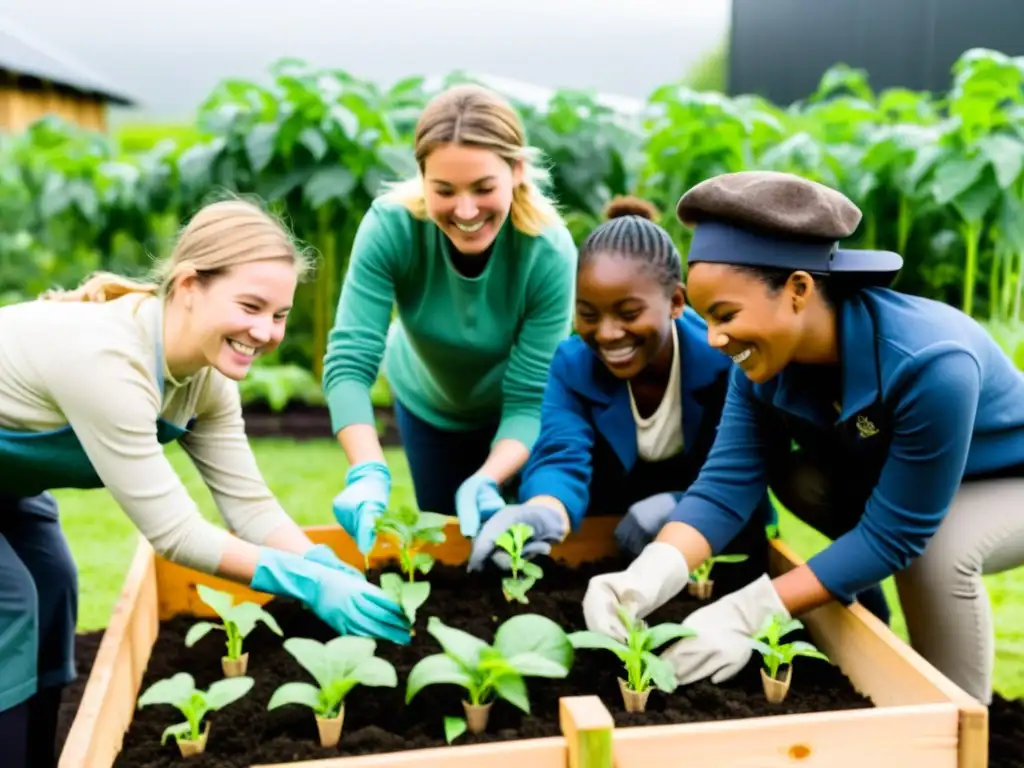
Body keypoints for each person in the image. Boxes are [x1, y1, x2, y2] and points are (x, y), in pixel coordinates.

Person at [581, 170, 1024, 705]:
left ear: (797, 289)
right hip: (919, 481)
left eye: (726, 315)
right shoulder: (762, 366)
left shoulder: (930, 362)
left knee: (934, 551)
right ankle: (863, 616)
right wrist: (650, 573)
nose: (715, 339)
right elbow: (725, 486)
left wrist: (750, 612)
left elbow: (896, 534)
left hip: (1007, 478)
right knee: (799, 479)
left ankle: (959, 722)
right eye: (706, 318)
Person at [0, 199, 410, 768]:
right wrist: (301, 582)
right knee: (11, 601)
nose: (265, 332)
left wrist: (322, 563)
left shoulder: (206, 382)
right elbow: (175, 534)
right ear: (190, 285)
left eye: (279, 314)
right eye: (250, 306)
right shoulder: (110, 362)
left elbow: (250, 507)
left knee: (54, 583)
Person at [322, 83, 577, 552]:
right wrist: (366, 469)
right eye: (444, 190)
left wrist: (489, 477)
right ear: (422, 178)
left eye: (483, 188)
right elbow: (349, 364)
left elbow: (527, 399)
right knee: (446, 553)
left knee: (516, 551)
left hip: (514, 418)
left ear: (517, 171)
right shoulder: (391, 229)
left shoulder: (548, 252)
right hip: (427, 407)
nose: (465, 210)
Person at [466, 197, 777, 573]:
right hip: (609, 536)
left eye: (629, 314)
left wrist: (678, 506)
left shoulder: (723, 363)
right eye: (588, 314)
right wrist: (544, 512)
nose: (608, 333)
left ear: (676, 302)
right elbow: (561, 455)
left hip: (715, 539)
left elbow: (743, 474)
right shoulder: (573, 366)